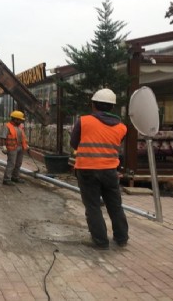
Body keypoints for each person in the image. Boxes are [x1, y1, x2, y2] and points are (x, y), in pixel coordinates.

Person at [70, 88, 129, 250]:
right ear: (112, 107)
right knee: (115, 205)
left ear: (94, 105)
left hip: (87, 170)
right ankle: (122, 238)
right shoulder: (122, 127)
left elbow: (73, 143)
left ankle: (100, 241)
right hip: (110, 171)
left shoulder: (84, 121)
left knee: (93, 206)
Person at [0, 110, 29, 186]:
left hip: (20, 147)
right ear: (15, 119)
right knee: (11, 164)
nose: (21, 121)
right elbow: (3, 137)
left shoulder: (20, 127)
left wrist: (26, 145)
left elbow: (22, 137)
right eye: (20, 120)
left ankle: (15, 177)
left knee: (18, 163)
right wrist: (3, 147)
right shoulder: (7, 126)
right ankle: (6, 179)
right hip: (12, 148)